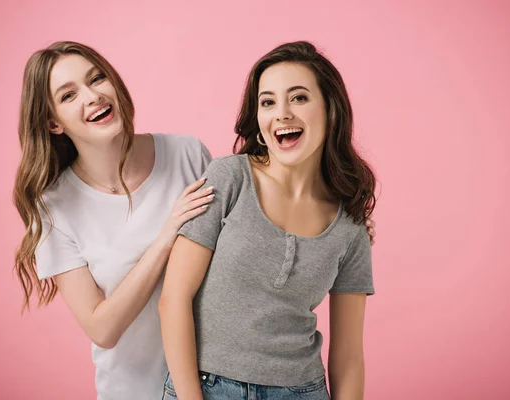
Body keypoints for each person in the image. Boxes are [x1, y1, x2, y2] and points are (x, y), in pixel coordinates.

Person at [12, 41, 377, 399]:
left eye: (96, 79)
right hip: (142, 386)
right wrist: (168, 233)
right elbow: (103, 328)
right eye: (68, 95)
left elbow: (249, 242)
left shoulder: (186, 154)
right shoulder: (53, 207)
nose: (92, 97)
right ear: (52, 122)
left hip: (233, 374)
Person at [159, 41, 376, 400]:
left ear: (330, 110)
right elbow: (174, 299)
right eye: (268, 102)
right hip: (207, 387)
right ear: (259, 122)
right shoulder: (229, 178)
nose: (282, 113)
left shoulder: (351, 225)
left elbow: (349, 356)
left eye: (299, 98)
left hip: (302, 391)